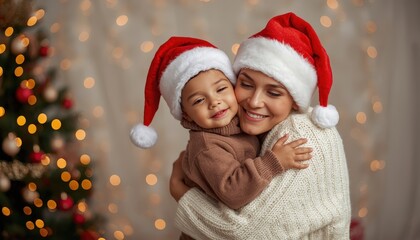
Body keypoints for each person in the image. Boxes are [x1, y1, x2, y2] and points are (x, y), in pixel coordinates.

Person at [170, 12, 351, 239]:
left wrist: (181, 193)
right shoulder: (234, 133)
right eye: (246, 84)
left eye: (273, 92)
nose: (254, 102)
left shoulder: (300, 135)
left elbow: (244, 233)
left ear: (295, 100)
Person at [129, 36, 313, 239]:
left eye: (221, 89)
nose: (215, 102)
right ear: (186, 114)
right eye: (199, 100)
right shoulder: (208, 147)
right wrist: (273, 162)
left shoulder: (239, 125)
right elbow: (233, 193)